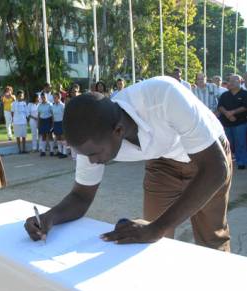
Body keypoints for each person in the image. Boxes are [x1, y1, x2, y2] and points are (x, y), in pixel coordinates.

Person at [25, 76, 232, 252]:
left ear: (118, 131)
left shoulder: (164, 95)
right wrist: (48, 218)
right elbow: (81, 197)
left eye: (94, 154)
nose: (92, 161)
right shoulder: (93, 138)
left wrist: (156, 228)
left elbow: (216, 170)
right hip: (163, 161)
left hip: (209, 157)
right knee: (152, 244)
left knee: (211, 239)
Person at [218, 74, 247, 170]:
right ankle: (228, 162)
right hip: (226, 123)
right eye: (230, 81)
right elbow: (220, 106)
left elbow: (245, 107)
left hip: (240, 123)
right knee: (228, 144)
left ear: (239, 82)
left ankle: (241, 162)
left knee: (241, 143)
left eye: (234, 81)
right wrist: (227, 114)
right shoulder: (225, 94)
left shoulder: (245, 94)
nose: (231, 83)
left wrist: (233, 112)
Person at [51, 93, 67, 158]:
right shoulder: (53, 106)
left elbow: (65, 115)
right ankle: (60, 151)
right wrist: (53, 124)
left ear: (59, 98)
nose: (54, 99)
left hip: (62, 122)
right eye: (53, 97)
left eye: (55, 97)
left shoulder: (62, 105)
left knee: (63, 137)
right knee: (58, 138)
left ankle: (64, 153)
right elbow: (53, 116)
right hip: (56, 123)